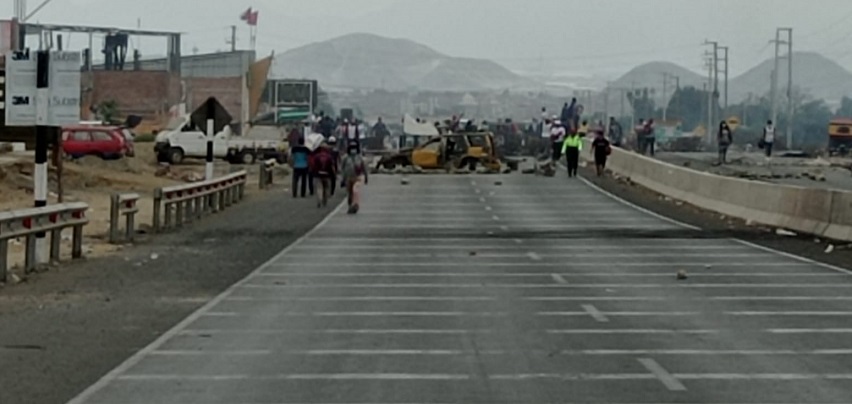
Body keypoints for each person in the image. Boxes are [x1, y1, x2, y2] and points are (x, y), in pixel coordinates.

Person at [340, 147, 368, 214]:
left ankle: (355, 204)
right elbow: (343, 169)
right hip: (348, 177)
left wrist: (366, 177)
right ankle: (350, 206)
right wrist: (343, 179)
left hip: (357, 177)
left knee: (355, 190)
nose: (353, 150)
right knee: (349, 193)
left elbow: (364, 168)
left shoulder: (359, 158)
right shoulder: (345, 158)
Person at [309, 142, 336, 208]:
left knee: (319, 188)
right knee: (326, 188)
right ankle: (325, 201)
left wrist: (313, 171)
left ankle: (319, 200)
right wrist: (334, 174)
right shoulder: (329, 157)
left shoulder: (316, 156)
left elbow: (313, 165)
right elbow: (332, 167)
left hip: (317, 174)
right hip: (327, 175)